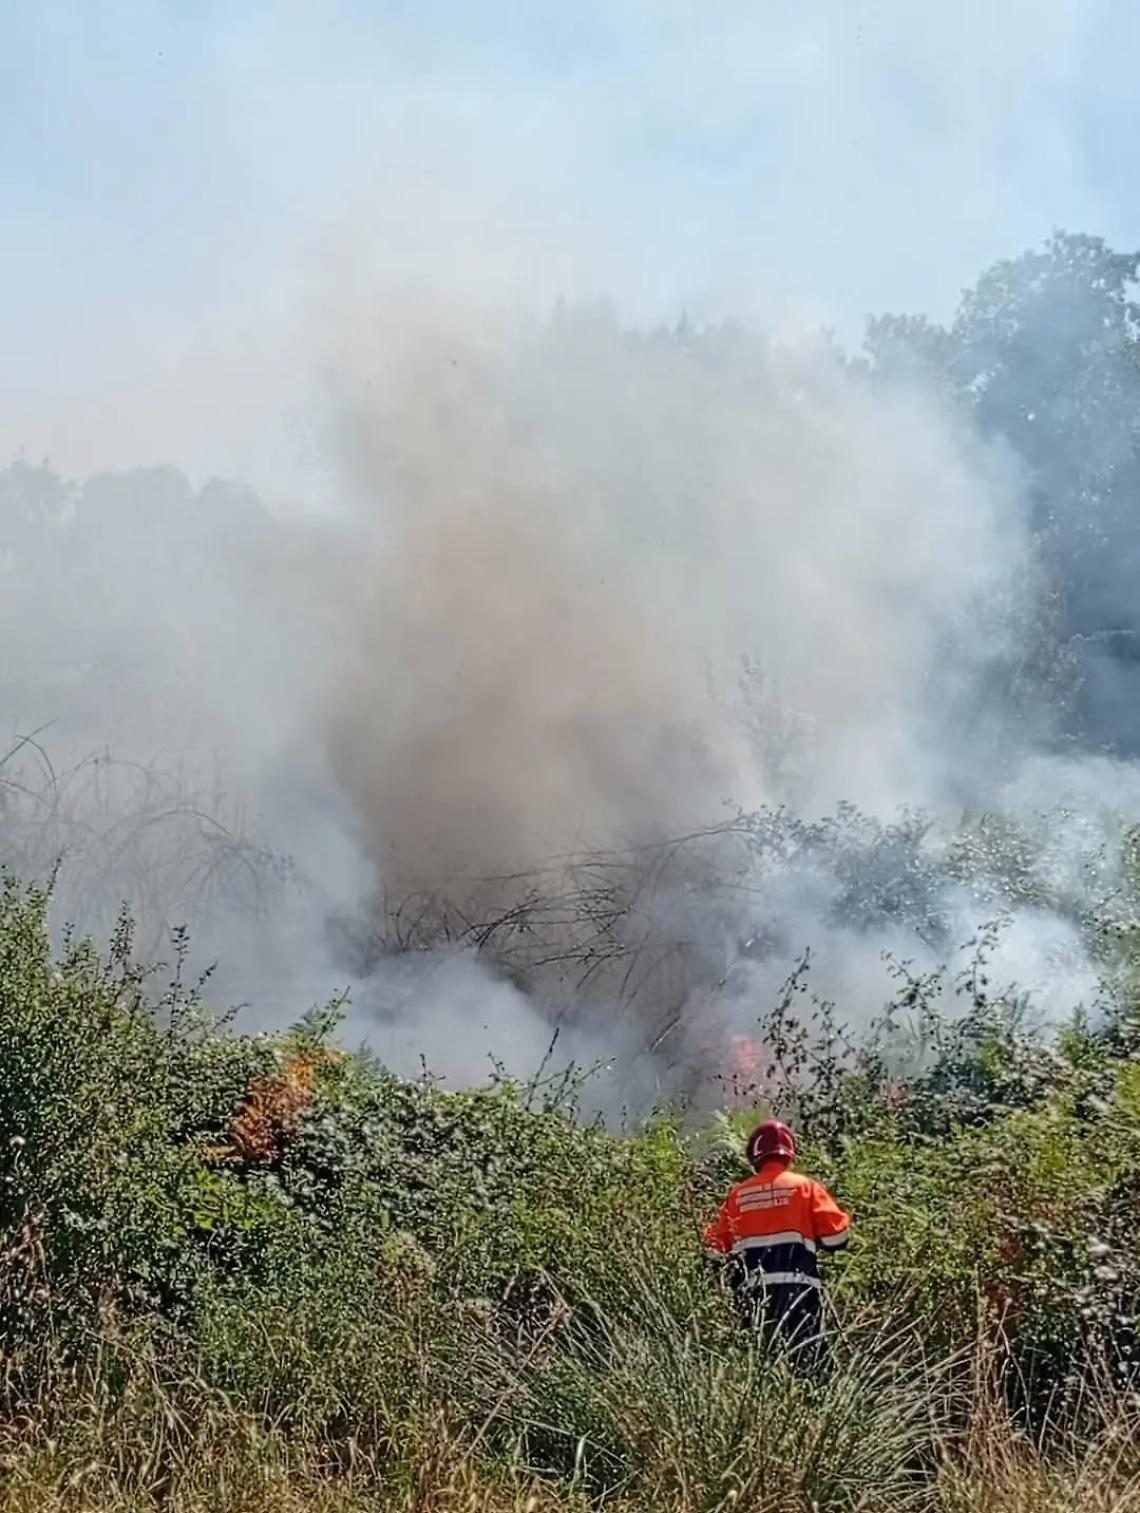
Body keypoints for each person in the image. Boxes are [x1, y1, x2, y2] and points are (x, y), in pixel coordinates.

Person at [702, 1119, 850, 1359]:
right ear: (790, 1152)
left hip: (753, 1295)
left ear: (754, 1155)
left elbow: (713, 1250)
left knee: (759, 1359)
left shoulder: (738, 1194)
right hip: (800, 1292)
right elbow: (837, 1238)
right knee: (810, 1360)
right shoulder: (806, 1187)